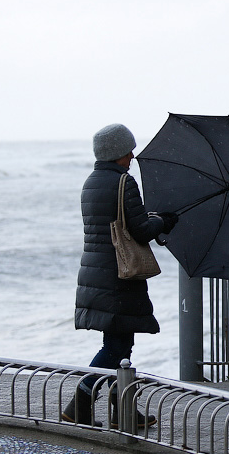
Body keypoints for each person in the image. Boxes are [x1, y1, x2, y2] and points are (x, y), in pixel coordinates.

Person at [62, 123, 178, 427]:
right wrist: (164, 221)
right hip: (119, 275)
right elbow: (138, 230)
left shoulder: (91, 182)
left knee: (120, 344)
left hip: (98, 271)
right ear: (116, 152)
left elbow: (114, 225)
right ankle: (80, 404)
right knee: (116, 347)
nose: (132, 155)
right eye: (128, 150)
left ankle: (124, 410)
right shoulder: (123, 183)